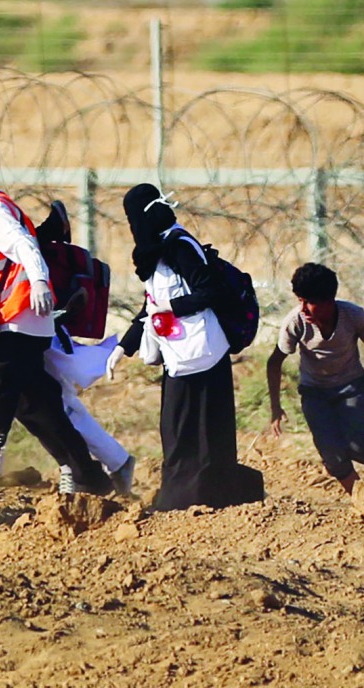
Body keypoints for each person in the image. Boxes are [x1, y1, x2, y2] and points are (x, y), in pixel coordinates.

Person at [0, 154, 113, 508]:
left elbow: (24, 244)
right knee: (38, 405)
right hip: (20, 322)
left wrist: (39, 281)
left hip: (16, 321)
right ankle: (89, 476)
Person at [105, 183, 264, 511]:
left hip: (206, 354)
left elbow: (211, 292)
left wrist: (170, 307)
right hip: (180, 355)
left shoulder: (179, 246)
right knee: (176, 428)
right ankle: (181, 498)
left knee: (210, 432)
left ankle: (208, 498)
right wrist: (124, 347)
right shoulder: (158, 250)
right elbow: (149, 304)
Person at [267, 262, 364, 494]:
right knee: (332, 457)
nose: (303, 308)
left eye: (310, 302)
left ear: (329, 301)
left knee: (359, 449)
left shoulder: (353, 315)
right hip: (314, 393)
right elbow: (274, 362)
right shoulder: (295, 322)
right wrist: (275, 406)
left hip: (350, 388)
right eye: (300, 300)